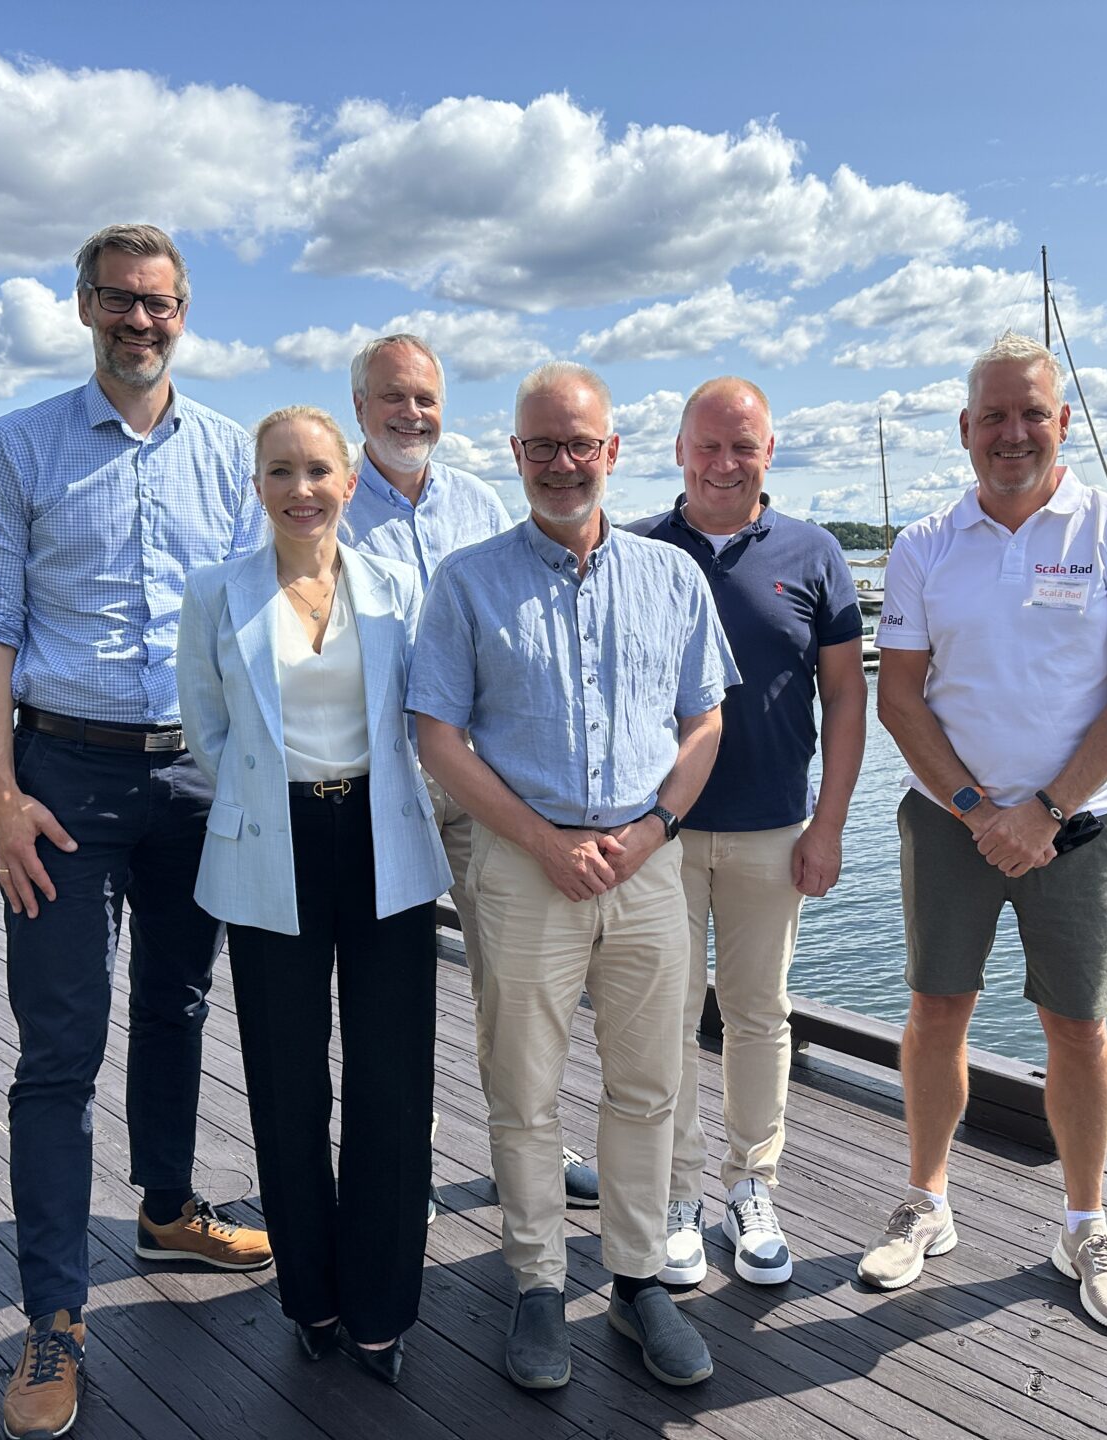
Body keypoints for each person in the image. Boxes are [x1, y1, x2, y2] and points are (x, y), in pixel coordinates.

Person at [0, 222, 272, 1440]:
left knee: (181, 1006)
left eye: (161, 304)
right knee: (59, 1046)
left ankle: (168, 1207)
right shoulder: (20, 446)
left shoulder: (230, 453)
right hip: (63, 784)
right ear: (83, 306)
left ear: (185, 311)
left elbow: (254, 625)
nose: (141, 322)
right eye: (120, 302)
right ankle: (54, 1317)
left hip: (191, 782)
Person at [407, 362, 738, 1391]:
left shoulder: (672, 577)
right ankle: (540, 1281)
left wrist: (652, 829)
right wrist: (545, 841)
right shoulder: (466, 581)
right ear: (514, 455)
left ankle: (637, 1280)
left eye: (579, 444)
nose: (562, 464)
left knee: (649, 1084)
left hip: (647, 868)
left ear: (612, 452)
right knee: (524, 1087)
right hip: (521, 864)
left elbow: (704, 720)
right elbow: (438, 735)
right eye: (541, 446)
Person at [861, 331, 1107, 1334]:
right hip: (952, 821)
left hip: (1077, 826)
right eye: (992, 415)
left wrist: (1043, 812)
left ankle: (1084, 1224)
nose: (1013, 432)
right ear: (963, 429)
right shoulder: (922, 547)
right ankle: (927, 1203)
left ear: (1063, 422)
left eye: (1031, 412)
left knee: (1077, 1026)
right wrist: (977, 811)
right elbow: (900, 702)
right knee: (936, 1010)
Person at [177, 405, 451, 1385]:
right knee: (288, 1088)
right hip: (271, 849)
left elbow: (426, 722)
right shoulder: (216, 594)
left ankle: (381, 1310)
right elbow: (208, 733)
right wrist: (271, 797)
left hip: (384, 842)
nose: (302, 489)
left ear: (348, 481)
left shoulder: (397, 589)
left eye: (319, 470)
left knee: (393, 1087)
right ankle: (313, 1299)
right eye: (281, 471)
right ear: (257, 485)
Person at [343, 334, 597, 1211]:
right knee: (390, 984)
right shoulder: (327, 505)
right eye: (392, 397)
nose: (411, 414)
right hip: (379, 782)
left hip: (479, 782)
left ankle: (528, 1148)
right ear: (360, 407)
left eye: (425, 399)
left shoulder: (482, 502)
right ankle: (401, 1153)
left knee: (513, 978)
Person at [626, 377, 866, 1289]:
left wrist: (829, 826)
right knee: (668, 1018)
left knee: (761, 1014)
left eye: (744, 446)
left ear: (771, 450)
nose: (725, 464)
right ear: (679, 450)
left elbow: (846, 697)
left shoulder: (813, 555)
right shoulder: (640, 548)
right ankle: (679, 1195)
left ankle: (750, 1187)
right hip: (661, 833)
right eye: (708, 446)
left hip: (775, 828)